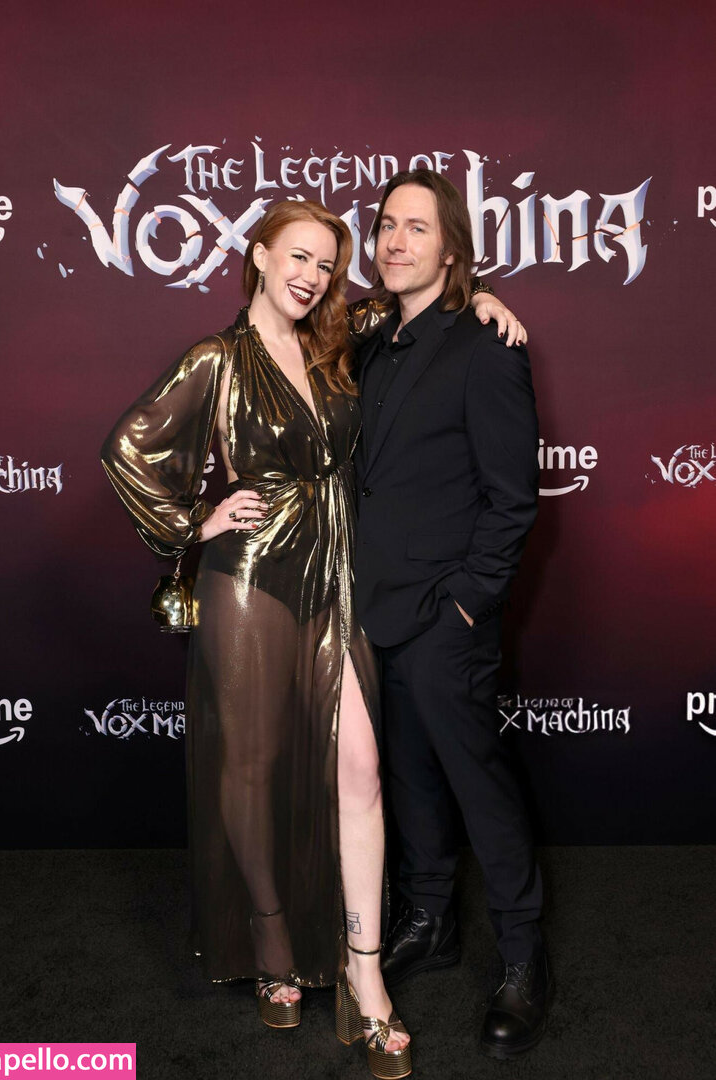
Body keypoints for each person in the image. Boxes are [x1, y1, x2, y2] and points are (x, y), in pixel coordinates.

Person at [101, 197, 522, 1078]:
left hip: (337, 576)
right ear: (258, 255)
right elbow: (127, 449)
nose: (312, 276)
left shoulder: (343, 341)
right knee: (251, 770)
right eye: (297, 256)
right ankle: (273, 949)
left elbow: (427, 302)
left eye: (327, 264)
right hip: (252, 578)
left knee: (360, 770)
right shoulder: (216, 358)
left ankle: (365, 974)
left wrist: (483, 298)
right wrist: (195, 522)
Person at [351, 169, 549, 1060]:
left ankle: (524, 957)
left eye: (417, 228)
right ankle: (430, 920)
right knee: (409, 778)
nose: (395, 241)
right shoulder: (367, 340)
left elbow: (513, 499)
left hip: (445, 614)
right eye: (386, 225)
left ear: (452, 248)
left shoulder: (486, 346)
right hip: (374, 608)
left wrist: (469, 603)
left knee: (477, 784)